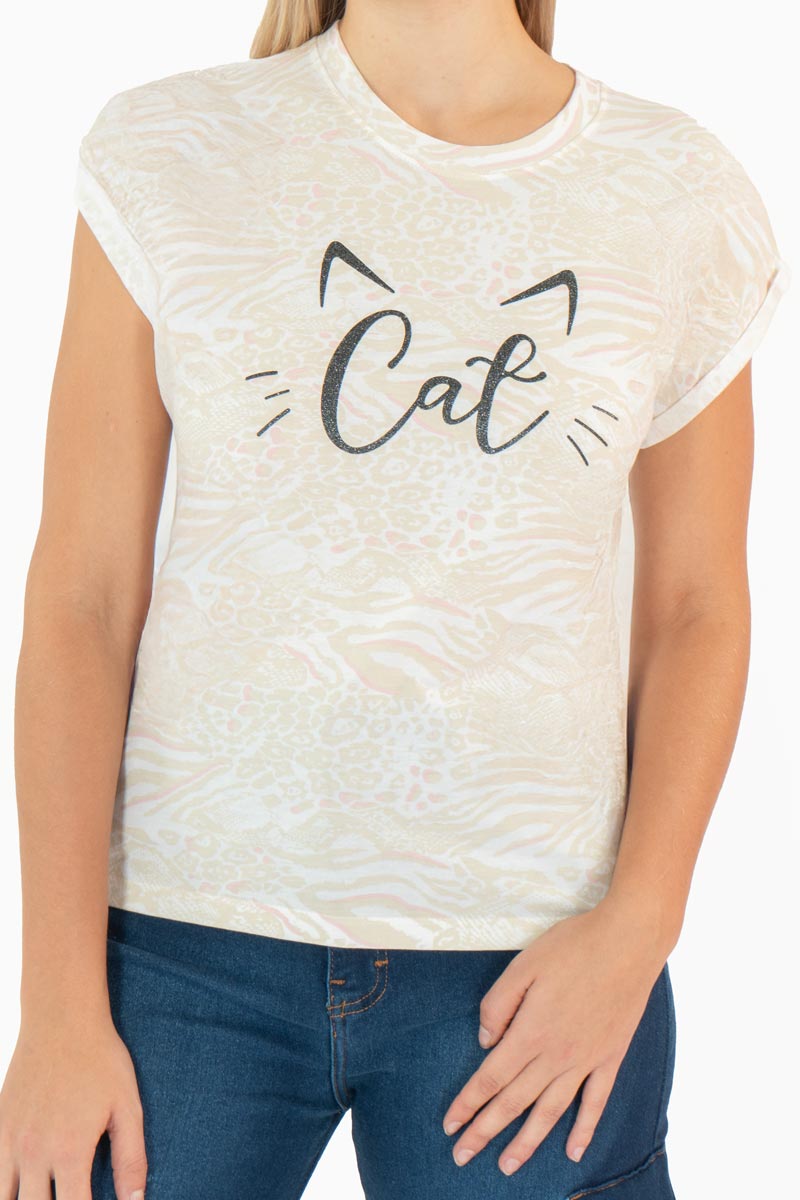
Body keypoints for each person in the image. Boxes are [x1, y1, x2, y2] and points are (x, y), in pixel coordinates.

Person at [0, 0, 790, 1197]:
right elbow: (82, 599)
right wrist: (56, 1004)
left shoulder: (674, 189)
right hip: (177, 952)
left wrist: (639, 927)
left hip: (533, 971)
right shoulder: (170, 150)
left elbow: (696, 607)